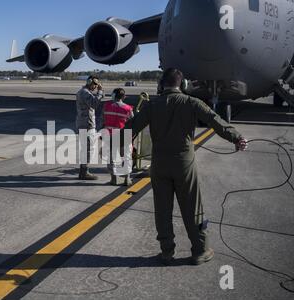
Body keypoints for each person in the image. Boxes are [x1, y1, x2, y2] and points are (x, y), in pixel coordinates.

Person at [125, 68, 248, 266]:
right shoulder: (192, 103)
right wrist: (237, 138)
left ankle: (166, 252)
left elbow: (129, 128)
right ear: (182, 85)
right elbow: (215, 121)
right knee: (193, 208)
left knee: (162, 209)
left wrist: (110, 143)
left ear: (161, 85)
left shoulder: (151, 105)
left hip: (159, 165)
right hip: (184, 164)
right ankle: (200, 251)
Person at [103, 88, 134, 186]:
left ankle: (114, 179)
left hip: (110, 135)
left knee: (111, 159)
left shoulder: (107, 106)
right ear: (123, 97)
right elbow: (132, 122)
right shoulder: (128, 108)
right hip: (124, 136)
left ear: (113, 95)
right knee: (127, 157)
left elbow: (102, 120)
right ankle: (127, 179)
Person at [76, 75, 104, 180]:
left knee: (86, 148)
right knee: (88, 148)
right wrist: (100, 92)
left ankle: (83, 171)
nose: (96, 87)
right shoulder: (85, 93)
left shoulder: (83, 92)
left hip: (84, 123)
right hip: (87, 124)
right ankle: (84, 172)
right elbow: (94, 103)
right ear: (89, 82)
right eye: (95, 84)